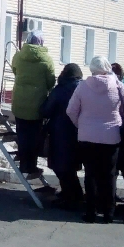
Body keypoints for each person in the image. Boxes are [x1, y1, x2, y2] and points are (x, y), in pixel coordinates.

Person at [66, 56, 124, 224]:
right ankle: (109, 213)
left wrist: (81, 124)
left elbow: (71, 110)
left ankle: (91, 212)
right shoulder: (118, 85)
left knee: (91, 174)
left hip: (87, 136)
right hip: (111, 135)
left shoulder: (82, 86)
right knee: (109, 175)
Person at [11, 30, 56, 176]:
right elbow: (51, 82)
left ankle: (23, 164)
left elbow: (15, 71)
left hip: (19, 102)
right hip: (37, 105)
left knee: (22, 134)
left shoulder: (18, 56)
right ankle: (31, 166)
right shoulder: (47, 59)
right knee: (35, 137)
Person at [40, 63, 84, 210]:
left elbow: (46, 110)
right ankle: (73, 195)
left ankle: (72, 197)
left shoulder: (60, 89)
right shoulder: (84, 87)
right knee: (71, 166)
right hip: (81, 132)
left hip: (60, 132)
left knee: (61, 167)